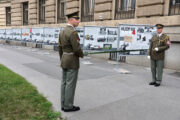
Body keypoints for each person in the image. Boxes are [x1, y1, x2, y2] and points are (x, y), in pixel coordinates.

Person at [58, 11, 84, 112]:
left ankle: (63, 104)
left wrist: (62, 59)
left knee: (64, 83)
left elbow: (60, 48)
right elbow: (77, 49)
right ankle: (68, 106)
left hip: (64, 59)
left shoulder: (62, 31)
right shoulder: (73, 32)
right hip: (72, 60)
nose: (78, 21)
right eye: (77, 19)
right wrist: (82, 55)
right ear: (71, 20)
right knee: (70, 84)